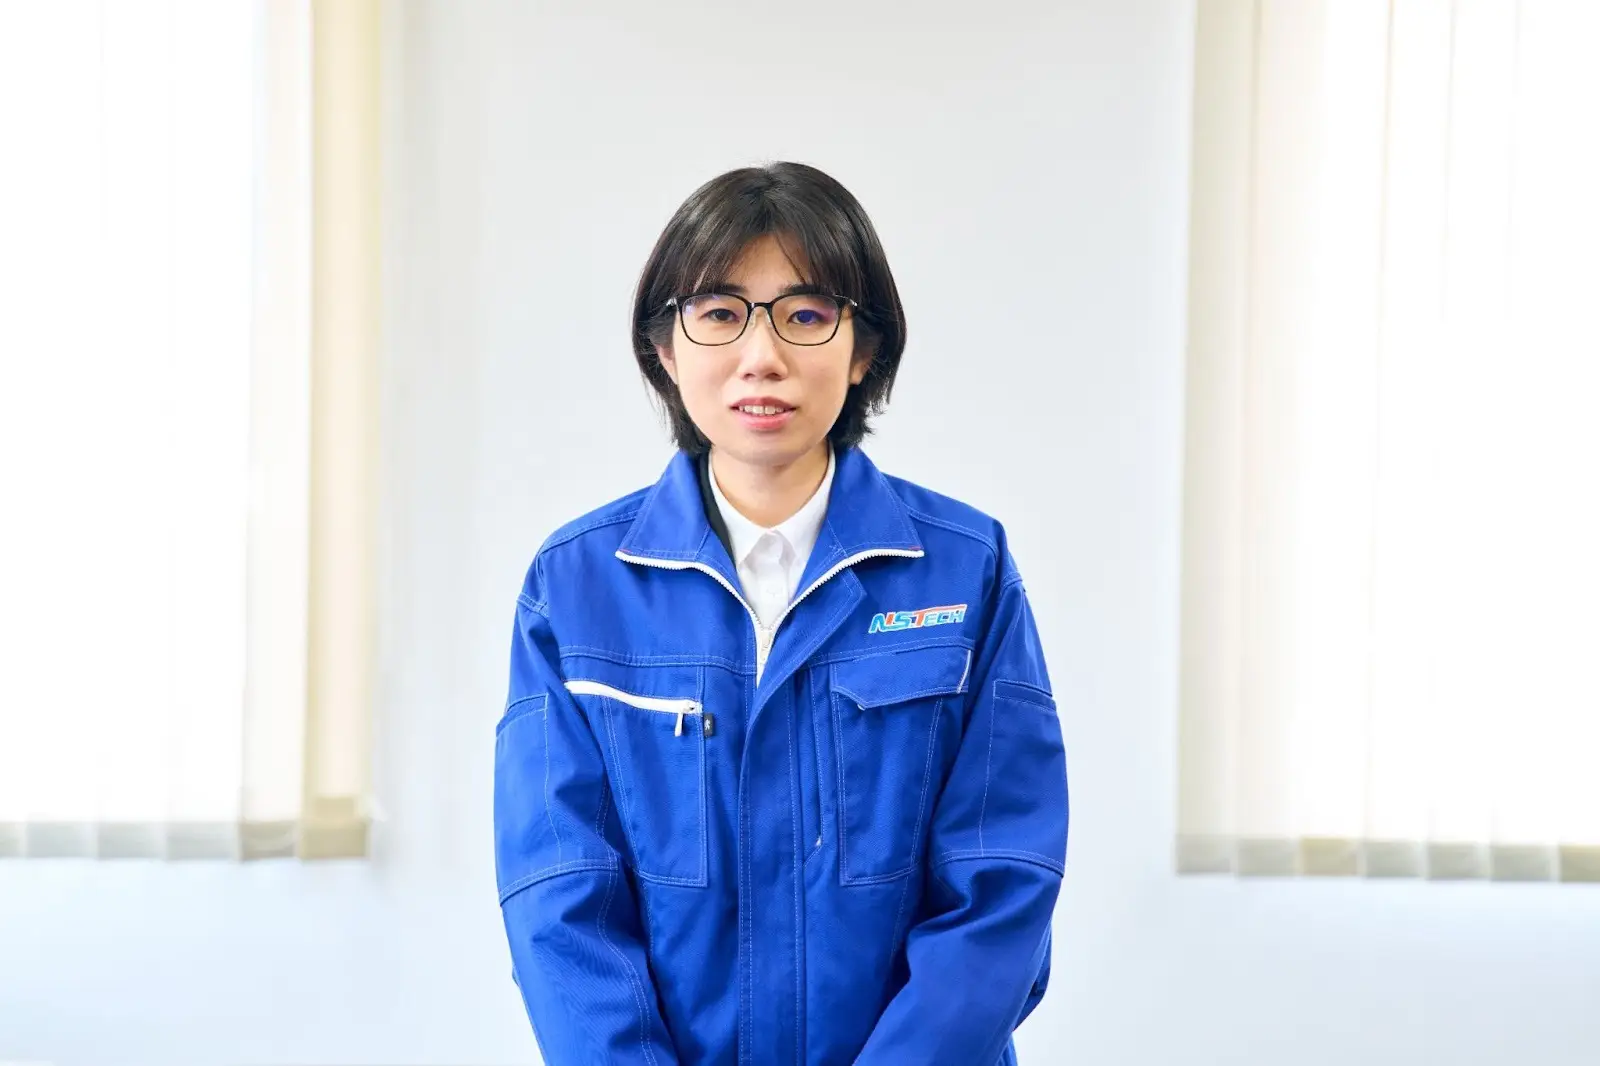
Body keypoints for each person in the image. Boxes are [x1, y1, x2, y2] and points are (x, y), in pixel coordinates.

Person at [493, 161, 1068, 1065]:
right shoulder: (576, 587)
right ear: (666, 349)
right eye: (721, 313)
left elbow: (1003, 884)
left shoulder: (966, 569)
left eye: (804, 315)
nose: (761, 356)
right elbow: (558, 897)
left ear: (863, 349)